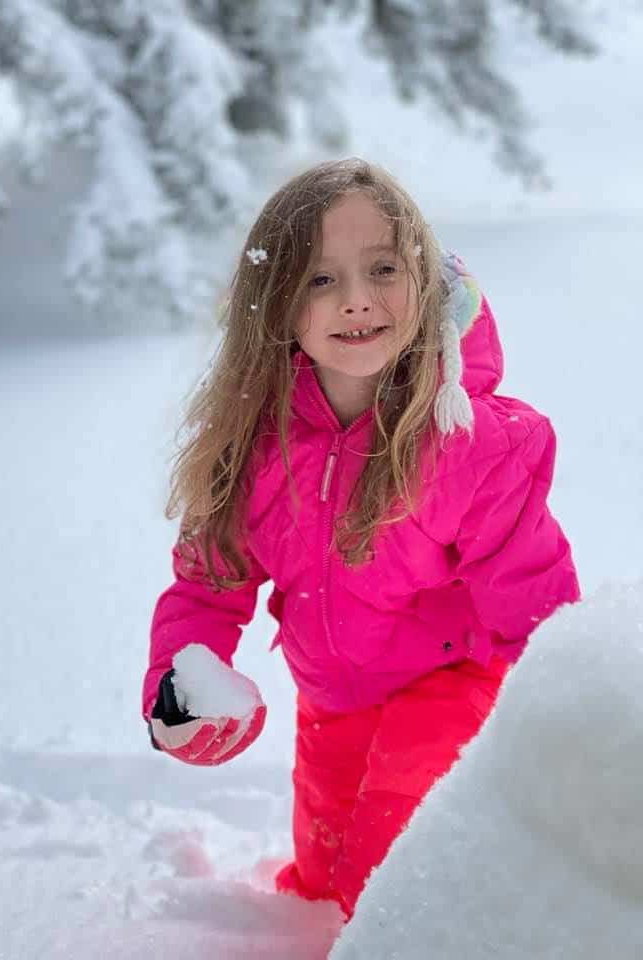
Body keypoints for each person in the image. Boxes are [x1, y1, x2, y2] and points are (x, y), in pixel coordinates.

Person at [142, 158, 581, 920]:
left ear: (424, 284)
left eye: (382, 268)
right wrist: (184, 686)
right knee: (320, 886)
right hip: (334, 697)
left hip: (455, 681)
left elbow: (535, 603)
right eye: (319, 279)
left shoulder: (470, 442)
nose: (356, 301)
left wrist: (572, 727)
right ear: (275, 302)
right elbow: (207, 586)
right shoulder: (253, 445)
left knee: (387, 882)